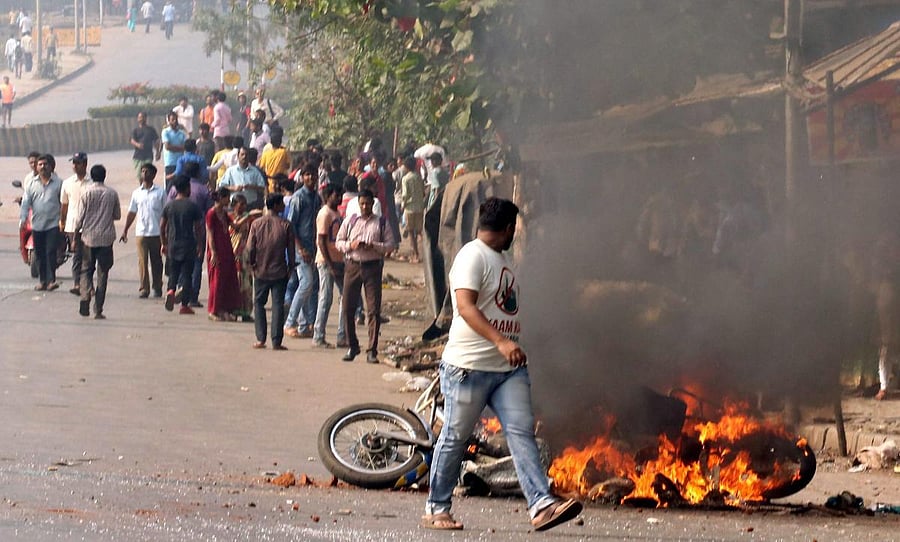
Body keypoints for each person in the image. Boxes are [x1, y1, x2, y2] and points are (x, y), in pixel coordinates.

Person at [423, 197, 582, 532]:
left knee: (522, 432)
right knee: (454, 436)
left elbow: (503, 308)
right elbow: (465, 308)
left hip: (507, 369)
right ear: (509, 228)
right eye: (515, 228)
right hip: (469, 368)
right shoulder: (471, 255)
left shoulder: (502, 258)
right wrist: (502, 341)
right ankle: (437, 508)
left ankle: (541, 506)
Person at [335, 189, 396, 362]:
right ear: (358, 204)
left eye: (368, 203)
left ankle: (372, 350)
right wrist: (351, 245)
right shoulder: (350, 221)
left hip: (373, 267)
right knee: (347, 308)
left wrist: (375, 246)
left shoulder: (381, 222)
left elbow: (391, 244)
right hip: (353, 266)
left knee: (374, 310)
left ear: (372, 204)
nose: (365, 206)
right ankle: (352, 346)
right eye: (362, 203)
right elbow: (339, 242)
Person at [247, 194, 295, 350]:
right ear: (275, 205)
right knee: (277, 305)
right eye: (281, 203)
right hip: (279, 271)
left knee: (259, 304)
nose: (283, 206)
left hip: (261, 269)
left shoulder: (256, 224)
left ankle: (261, 338)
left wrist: (252, 264)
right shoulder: (286, 225)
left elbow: (250, 248)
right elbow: (291, 250)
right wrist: (291, 267)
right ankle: (276, 341)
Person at [74, 165, 121, 319]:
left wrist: (75, 238)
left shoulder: (86, 193)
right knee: (103, 273)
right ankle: (98, 309)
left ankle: (85, 298)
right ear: (104, 176)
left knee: (86, 270)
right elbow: (117, 215)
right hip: (106, 239)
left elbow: (78, 219)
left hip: (88, 238)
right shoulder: (112, 193)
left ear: (92, 176)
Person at [119, 163, 166, 298]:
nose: (144, 174)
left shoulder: (160, 192)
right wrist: (125, 230)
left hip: (156, 233)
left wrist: (166, 233)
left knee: (156, 261)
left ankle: (157, 287)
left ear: (153, 175)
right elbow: (132, 213)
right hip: (141, 233)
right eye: (142, 171)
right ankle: (144, 288)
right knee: (142, 262)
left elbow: (165, 213)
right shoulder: (136, 193)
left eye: (147, 171)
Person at [284, 164, 320, 339]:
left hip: (313, 247)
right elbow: (291, 226)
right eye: (307, 175)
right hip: (301, 248)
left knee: (308, 286)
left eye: (313, 174)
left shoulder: (317, 198)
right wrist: (300, 248)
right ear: (302, 177)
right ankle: (290, 322)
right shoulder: (298, 197)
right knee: (306, 283)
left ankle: (304, 325)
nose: (311, 178)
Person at [160, 176, 204, 315]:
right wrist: (200, 245)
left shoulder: (169, 205)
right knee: (187, 275)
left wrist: (163, 243)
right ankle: (184, 306)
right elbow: (198, 228)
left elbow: (162, 226)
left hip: (173, 244)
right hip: (188, 244)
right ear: (187, 188)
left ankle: (171, 290)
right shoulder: (192, 206)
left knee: (173, 272)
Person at [19, 154, 63, 291]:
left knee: (50, 252)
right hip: (37, 225)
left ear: (51, 166)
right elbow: (26, 203)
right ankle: (43, 281)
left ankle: (51, 281)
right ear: (37, 168)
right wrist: (23, 218)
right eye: (40, 165)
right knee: (39, 253)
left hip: (53, 224)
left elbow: (64, 202)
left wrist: (63, 220)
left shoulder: (59, 183)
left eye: (45, 164)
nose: (43, 167)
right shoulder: (31, 184)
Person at [313, 184, 346, 348]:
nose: (339, 198)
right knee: (326, 299)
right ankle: (318, 336)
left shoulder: (336, 213)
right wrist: (330, 264)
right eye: (336, 195)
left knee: (344, 297)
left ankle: (342, 335)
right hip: (327, 262)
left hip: (339, 259)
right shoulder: (325, 213)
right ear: (328, 196)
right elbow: (321, 240)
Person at [206, 187, 241, 321]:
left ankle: (223, 309)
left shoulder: (224, 213)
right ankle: (213, 310)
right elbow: (210, 234)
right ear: (221, 198)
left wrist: (248, 217)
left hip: (227, 248)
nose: (228, 200)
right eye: (227, 197)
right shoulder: (211, 213)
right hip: (217, 250)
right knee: (217, 280)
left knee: (228, 279)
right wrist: (214, 253)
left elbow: (234, 226)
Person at [59, 152, 91, 296]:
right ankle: (77, 284)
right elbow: (64, 205)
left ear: (84, 164)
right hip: (72, 226)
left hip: (89, 225)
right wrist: (62, 221)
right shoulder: (67, 183)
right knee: (77, 256)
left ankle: (88, 284)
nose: (74, 166)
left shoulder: (92, 183)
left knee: (89, 257)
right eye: (73, 163)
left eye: (77, 163)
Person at [228, 193, 259, 322]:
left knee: (247, 283)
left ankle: (246, 312)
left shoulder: (249, 219)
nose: (244, 207)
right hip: (233, 253)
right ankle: (233, 310)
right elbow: (234, 228)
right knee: (235, 282)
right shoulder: (229, 217)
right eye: (241, 204)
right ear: (234, 205)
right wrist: (246, 218)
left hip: (245, 254)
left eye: (245, 204)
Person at [400, 155, 425, 263]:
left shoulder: (406, 179)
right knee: (420, 232)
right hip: (419, 207)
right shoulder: (418, 177)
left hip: (410, 208)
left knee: (411, 232)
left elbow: (405, 195)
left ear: (406, 167)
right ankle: (426, 252)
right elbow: (423, 191)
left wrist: (402, 205)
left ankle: (415, 255)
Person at [159, 110, 188, 189]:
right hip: (170, 163)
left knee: (181, 185)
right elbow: (167, 147)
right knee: (170, 186)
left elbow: (186, 147)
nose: (175, 121)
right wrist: (181, 148)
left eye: (176, 119)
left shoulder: (182, 133)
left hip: (180, 162)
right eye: (172, 120)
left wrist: (175, 148)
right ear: (169, 121)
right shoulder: (165, 132)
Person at [258, 128, 290, 193]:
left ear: (271, 143)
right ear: (280, 142)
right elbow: (287, 166)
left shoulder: (266, 153)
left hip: (269, 181)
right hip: (281, 182)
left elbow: (261, 167)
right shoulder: (284, 152)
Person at [130, 111, 159, 180]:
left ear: (146, 118)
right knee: (140, 176)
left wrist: (158, 152)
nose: (141, 119)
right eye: (139, 117)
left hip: (148, 155)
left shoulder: (151, 130)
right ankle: (142, 189)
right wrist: (137, 145)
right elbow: (131, 140)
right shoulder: (135, 130)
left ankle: (148, 189)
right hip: (137, 156)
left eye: (143, 117)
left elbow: (156, 141)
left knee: (147, 174)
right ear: (137, 119)